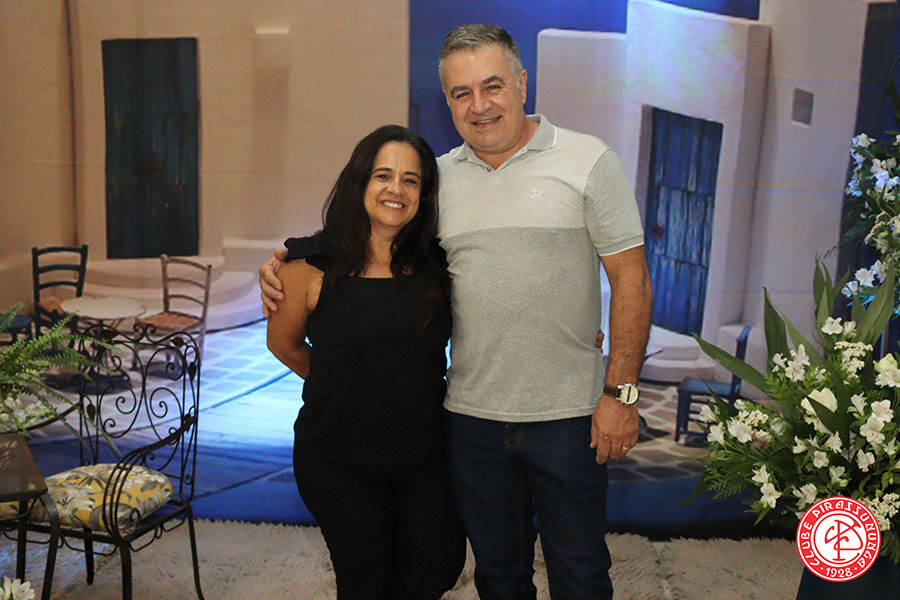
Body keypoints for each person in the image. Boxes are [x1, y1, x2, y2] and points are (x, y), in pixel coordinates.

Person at [262, 25, 652, 600]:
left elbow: (632, 279)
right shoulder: (439, 181)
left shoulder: (588, 161)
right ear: (446, 101)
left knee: (581, 573)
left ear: (522, 83)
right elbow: (373, 231)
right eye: (461, 93)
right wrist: (289, 259)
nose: (479, 105)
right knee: (498, 575)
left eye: (492, 86)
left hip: (568, 416)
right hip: (469, 422)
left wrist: (621, 394)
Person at [266, 124, 466, 600]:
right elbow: (285, 346)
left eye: (411, 180)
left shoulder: (442, 265)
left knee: (437, 569)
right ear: (360, 182)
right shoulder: (306, 266)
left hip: (425, 455)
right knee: (366, 582)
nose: (396, 189)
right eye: (383, 175)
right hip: (337, 458)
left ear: (424, 195)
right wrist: (349, 382)